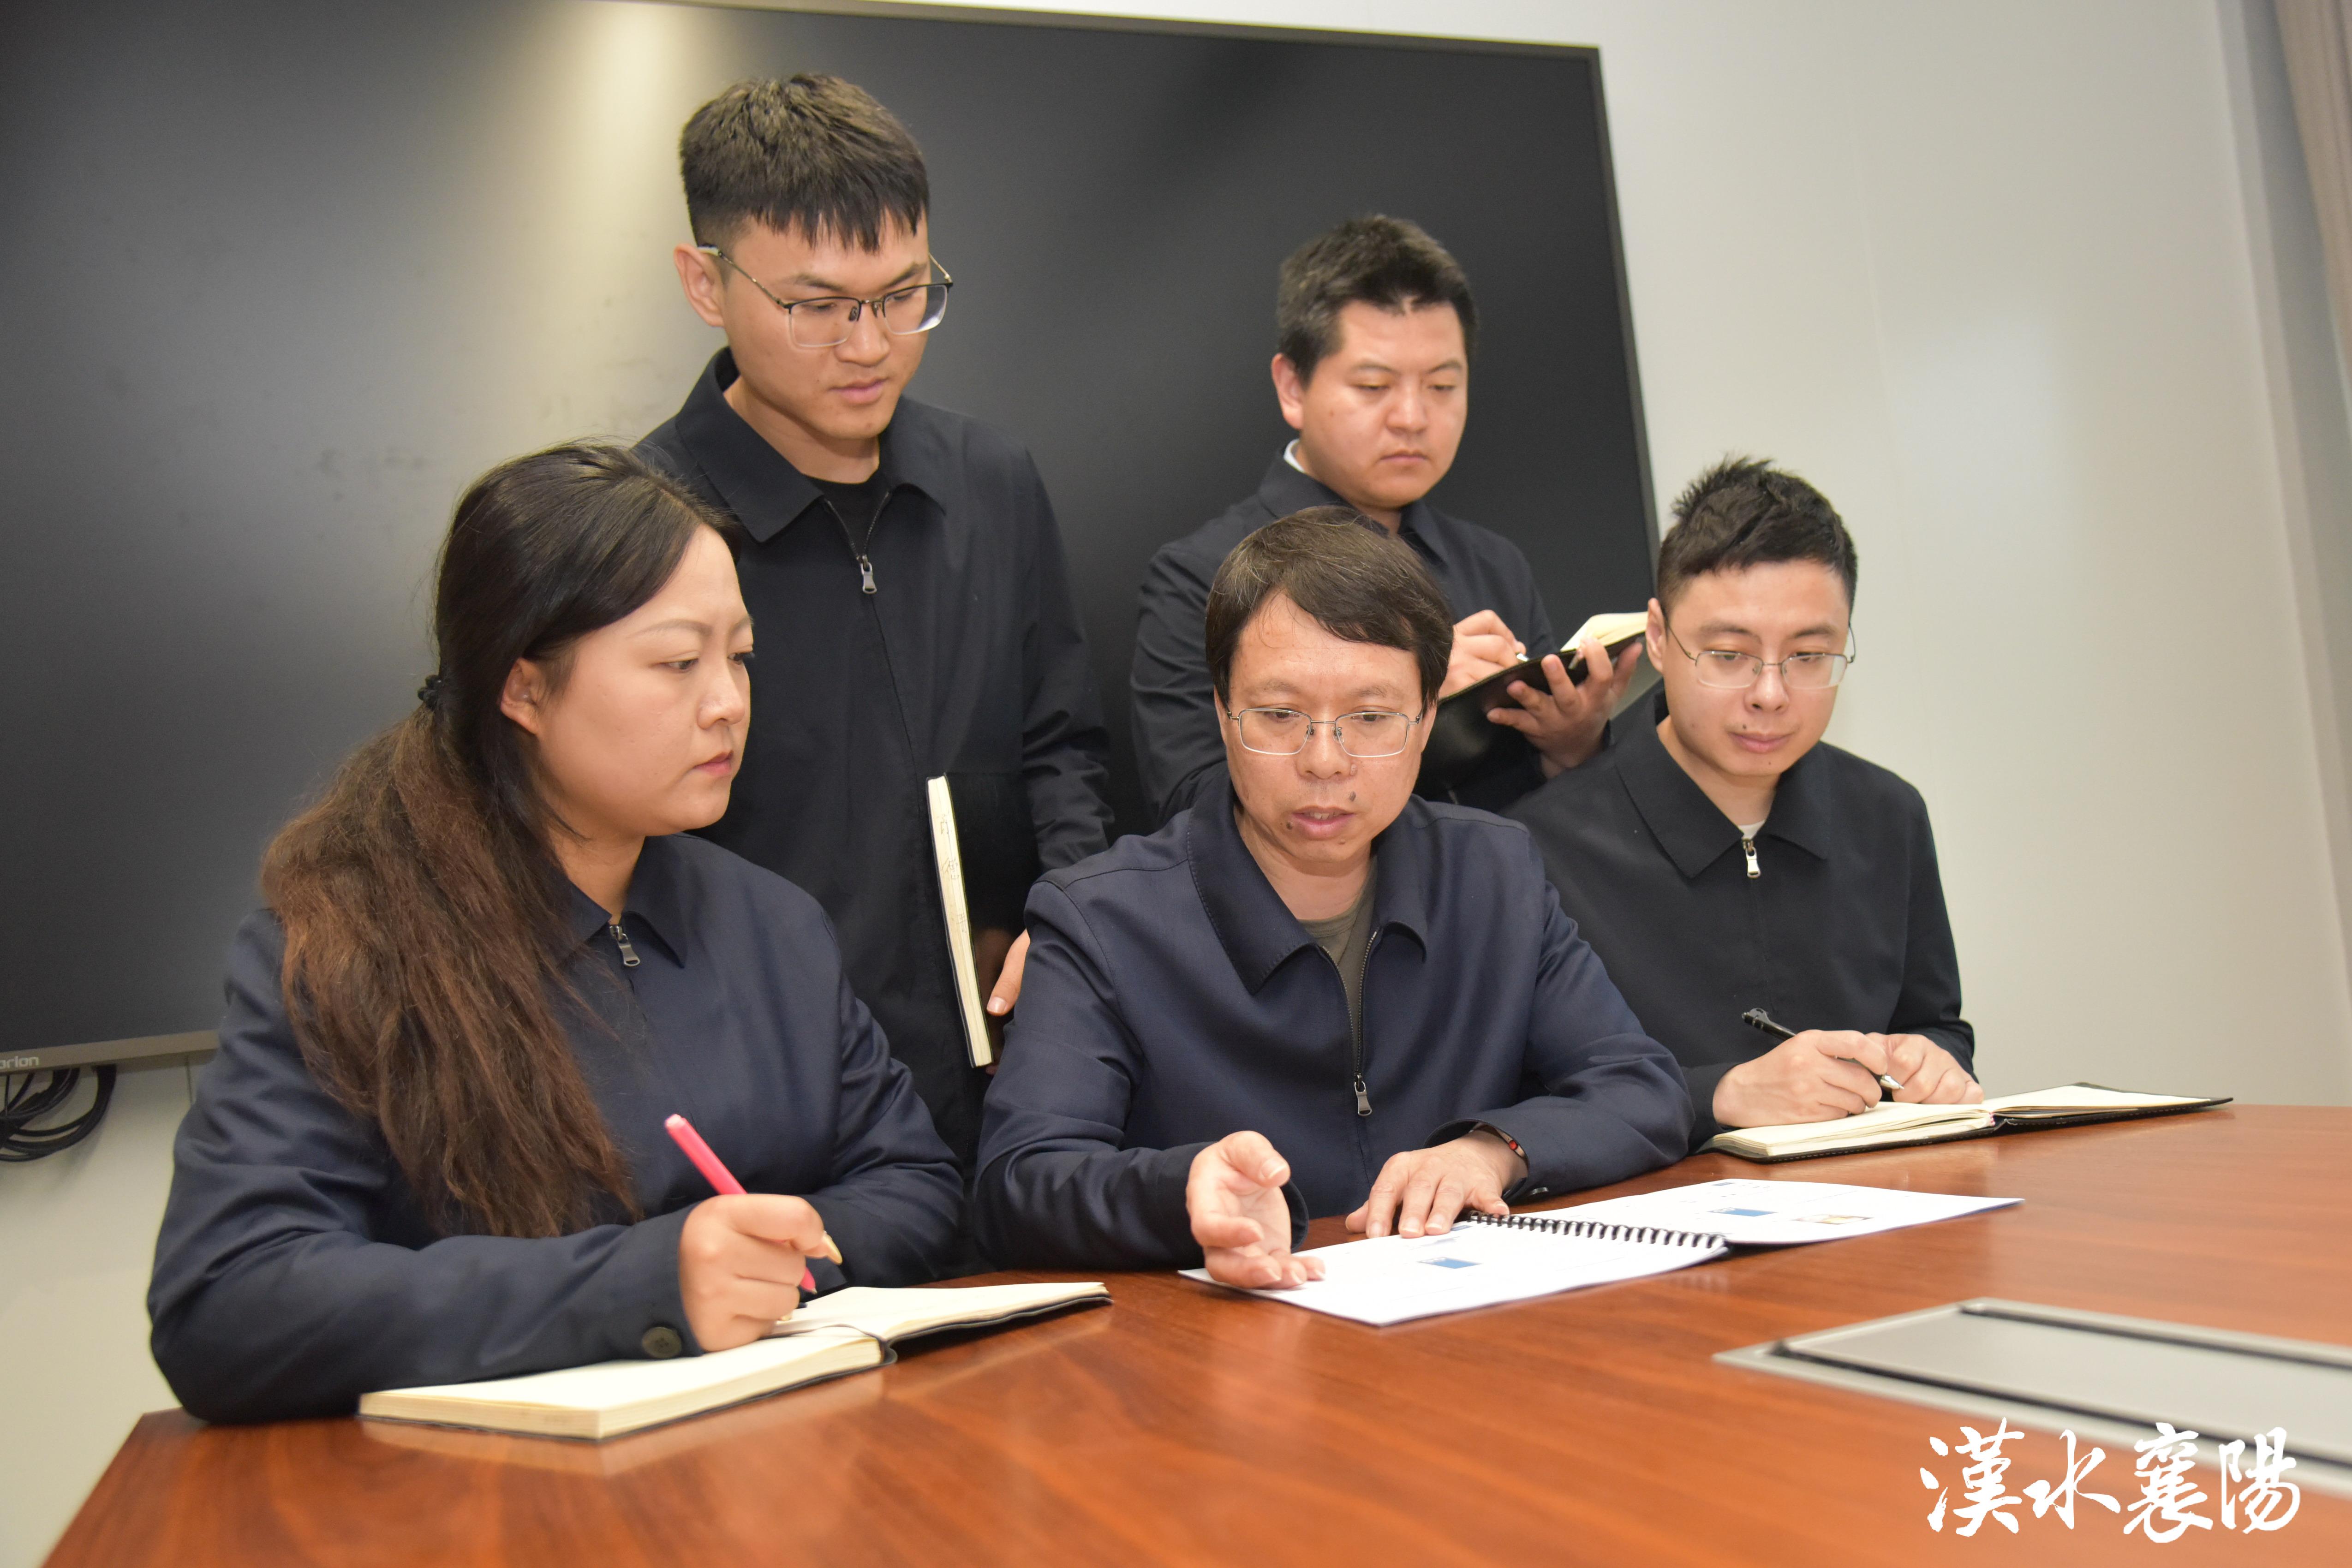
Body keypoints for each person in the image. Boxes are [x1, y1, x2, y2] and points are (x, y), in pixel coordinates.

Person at [148, 445, 963, 1424]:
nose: (727, 702)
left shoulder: (773, 923)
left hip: (775, 1455)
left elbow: (913, 1183)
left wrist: (767, 1261)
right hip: (481, 1487)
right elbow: (229, 1302)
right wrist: (643, 1284)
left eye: (739, 655)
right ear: (524, 689)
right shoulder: (347, 945)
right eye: (677, 663)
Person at [976, 510, 1690, 1284]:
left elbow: (1638, 1088)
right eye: (1279, 715)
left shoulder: (1493, 872)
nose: (1325, 761)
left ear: (1426, 719)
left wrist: (1491, 1152)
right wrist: (1180, 1191)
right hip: (1227, 1333)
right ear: (1221, 712)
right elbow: (1019, 1183)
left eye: (1371, 717)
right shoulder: (1100, 918)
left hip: (1460, 1317)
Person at [638, 77, 1112, 1169]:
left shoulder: (990, 479)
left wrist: (1070, 923)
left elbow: (1061, 746)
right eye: (815, 305)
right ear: (705, 283)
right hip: (774, 1108)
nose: (870, 345)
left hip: (1010, 1089)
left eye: (904, 295)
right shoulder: (643, 529)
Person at [1509, 458, 1979, 1150]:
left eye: (1809, 657)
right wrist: (1717, 1096)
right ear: (1659, 639)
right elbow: (1523, 1098)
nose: (1770, 695)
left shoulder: (1888, 815)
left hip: (1881, 1195)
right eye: (1729, 655)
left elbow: (1933, 1022)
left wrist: (1934, 1062)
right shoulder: (1539, 847)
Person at [1130, 215, 1642, 825]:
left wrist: (1570, 748)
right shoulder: (1199, 576)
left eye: (1442, 386)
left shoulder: (1493, 564)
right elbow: (1191, 807)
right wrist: (1407, 699)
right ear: (1292, 387)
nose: (1412, 417)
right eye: (1374, 386)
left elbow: (1550, 824)